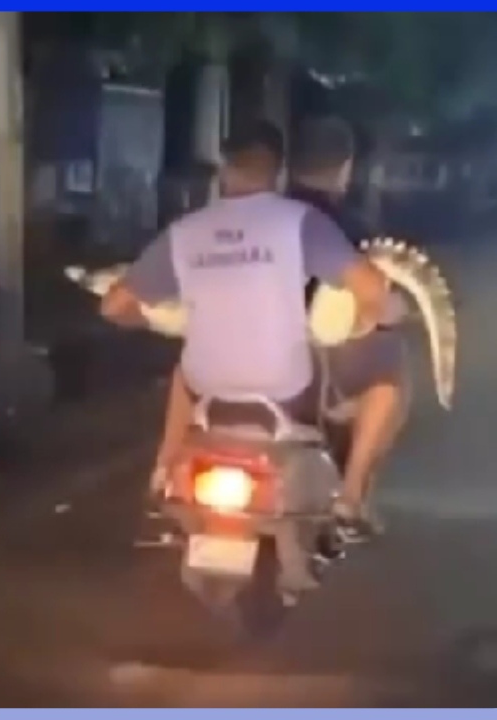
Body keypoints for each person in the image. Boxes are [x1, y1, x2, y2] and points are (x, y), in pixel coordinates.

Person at [99, 120, 396, 534]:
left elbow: (114, 306)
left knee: (185, 367)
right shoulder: (301, 222)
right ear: (278, 172)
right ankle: (350, 496)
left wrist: (145, 318)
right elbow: (371, 289)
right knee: (388, 374)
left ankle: (163, 472)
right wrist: (366, 319)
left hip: (209, 384)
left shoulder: (185, 232)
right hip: (284, 383)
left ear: (224, 169)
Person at [285, 116, 410, 541]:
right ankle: (352, 496)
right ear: (345, 167)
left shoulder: (261, 218)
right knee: (388, 380)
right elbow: (374, 305)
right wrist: (392, 310)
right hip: (312, 370)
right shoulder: (351, 228)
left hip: (241, 365)